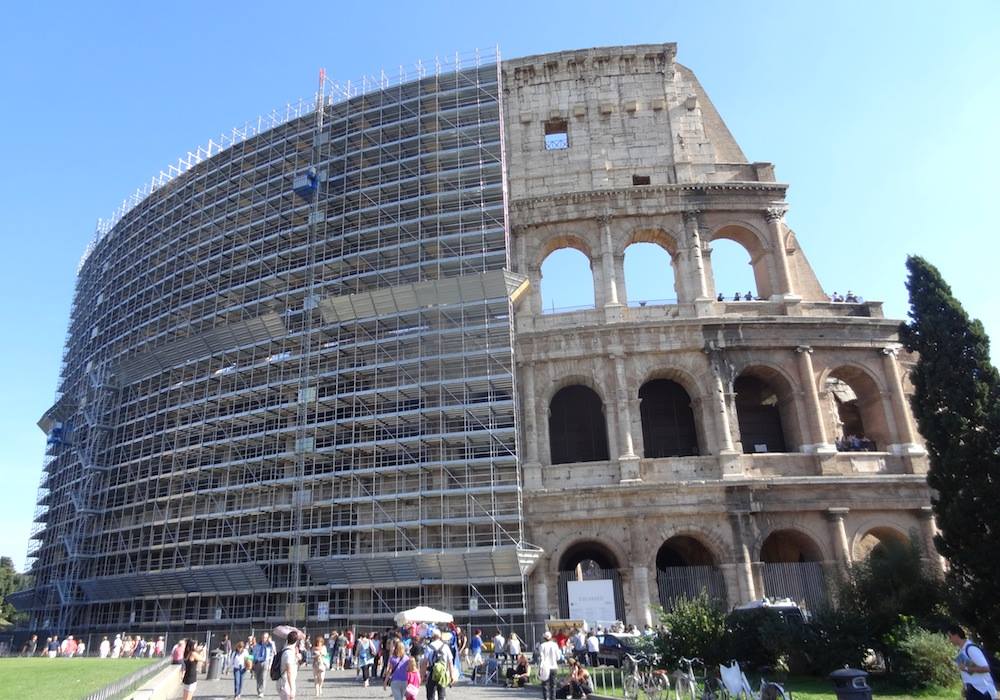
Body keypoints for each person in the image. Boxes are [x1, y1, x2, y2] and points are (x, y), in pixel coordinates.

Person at [948, 624, 997, 700]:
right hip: (973, 691)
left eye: (950, 636)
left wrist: (966, 668)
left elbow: (986, 668)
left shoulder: (971, 649)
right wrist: (965, 686)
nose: (949, 640)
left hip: (982, 692)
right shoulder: (961, 651)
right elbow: (971, 672)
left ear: (956, 635)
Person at [422, 629, 454, 700]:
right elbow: (450, 662)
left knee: (431, 695)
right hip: (442, 673)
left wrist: (422, 675)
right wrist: (452, 676)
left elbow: (424, 662)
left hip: (432, 673)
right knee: (441, 695)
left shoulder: (429, 647)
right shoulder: (445, 646)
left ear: (432, 636)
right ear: (440, 636)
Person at [278, 630, 301, 700]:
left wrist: (297, 658)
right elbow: (289, 672)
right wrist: (292, 688)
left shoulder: (286, 649)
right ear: (296, 641)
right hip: (286, 682)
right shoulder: (289, 653)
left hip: (284, 681)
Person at [538, 631, 561, 700]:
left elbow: (541, 658)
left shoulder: (542, 645)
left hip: (545, 667)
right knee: (553, 684)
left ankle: (546, 698)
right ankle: (553, 698)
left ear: (544, 638)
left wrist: (540, 668)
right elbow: (558, 657)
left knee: (545, 684)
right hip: (554, 666)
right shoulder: (555, 645)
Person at [253, 632, 277, 697]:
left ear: (268, 638)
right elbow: (254, 653)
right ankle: (258, 690)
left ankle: (261, 691)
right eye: (263, 637)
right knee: (258, 678)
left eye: (266, 637)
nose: (264, 639)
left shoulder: (270, 645)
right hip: (258, 662)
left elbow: (274, 653)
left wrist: (270, 665)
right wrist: (254, 662)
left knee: (263, 677)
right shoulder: (258, 645)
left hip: (265, 662)